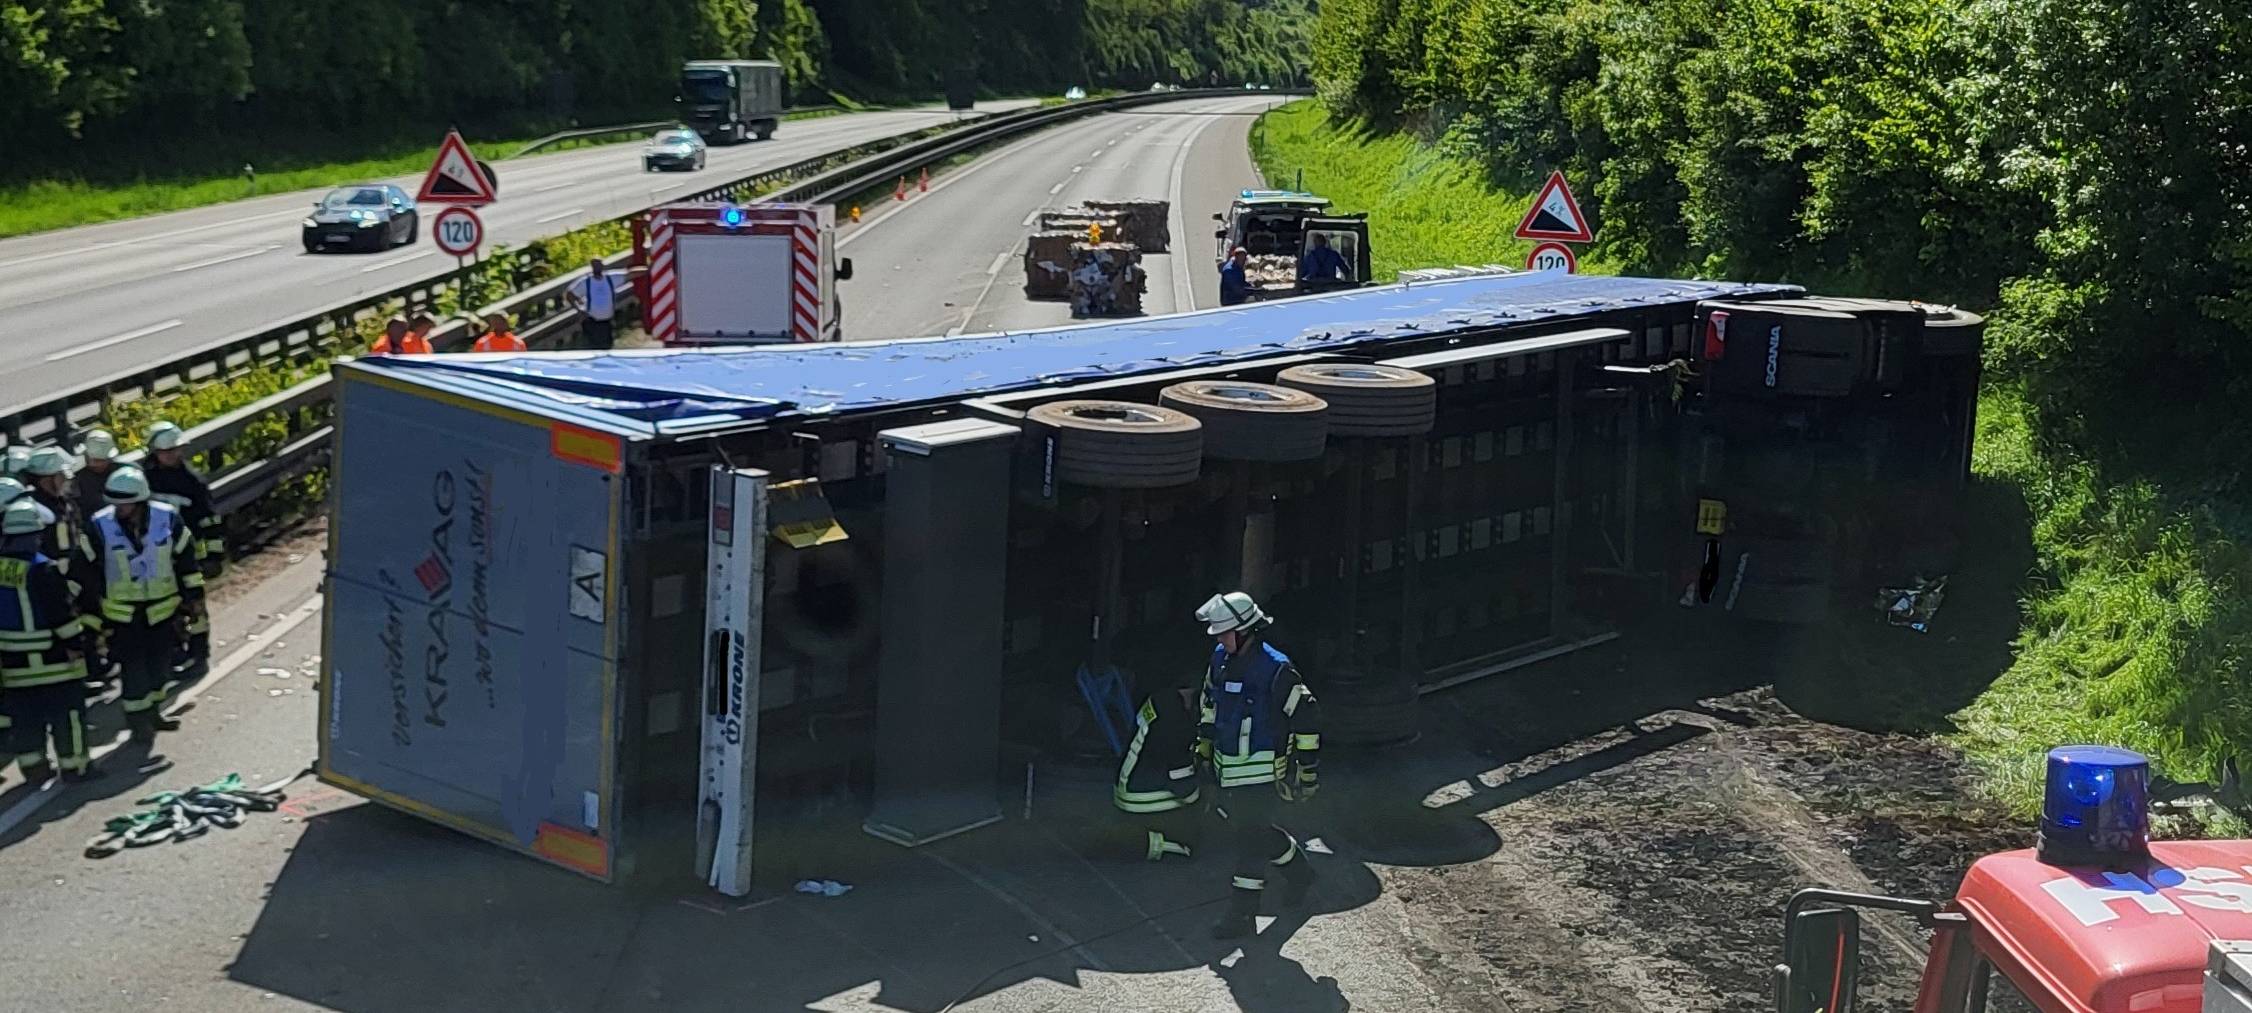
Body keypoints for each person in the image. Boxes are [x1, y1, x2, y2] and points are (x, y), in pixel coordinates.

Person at [1195, 590, 1320, 939]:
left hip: (1262, 773)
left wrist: (1305, 769)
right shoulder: (1220, 659)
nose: (1219, 638)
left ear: (1246, 631)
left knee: (1250, 843)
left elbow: (1306, 718)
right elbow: (1210, 703)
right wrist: (1204, 749)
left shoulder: (1275, 669)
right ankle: (1300, 873)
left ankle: (1241, 915)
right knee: (1256, 834)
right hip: (1227, 770)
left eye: (1224, 632)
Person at [79, 465, 200, 745]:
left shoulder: (167, 519)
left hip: (163, 609)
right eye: (116, 504)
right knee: (133, 669)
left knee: (160, 667)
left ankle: (154, 712)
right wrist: (91, 615)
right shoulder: (98, 526)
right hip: (122, 615)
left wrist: (194, 597)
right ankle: (138, 723)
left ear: (141, 500)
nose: (120, 509)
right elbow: (85, 570)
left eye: (126, 504)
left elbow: (186, 560)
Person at [0, 499, 98, 783]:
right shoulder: (44, 569)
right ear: (36, 534)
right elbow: (61, 616)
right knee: (68, 716)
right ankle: (75, 767)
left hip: (13, 665)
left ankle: (34, 769)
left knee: (26, 720)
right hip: (54, 661)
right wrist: (78, 646)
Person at [142, 422, 222, 673]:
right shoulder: (144, 479)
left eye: (177, 450)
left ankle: (199, 655)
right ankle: (175, 652)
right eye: (167, 451)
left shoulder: (192, 482)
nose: (174, 456)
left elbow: (210, 520)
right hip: (155, 557)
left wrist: (214, 555)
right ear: (154, 452)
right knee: (164, 608)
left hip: (188, 557)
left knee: (194, 607)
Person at [1114, 669, 1204, 862]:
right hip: (1144, 796)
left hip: (1129, 784)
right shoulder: (1176, 720)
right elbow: (1183, 786)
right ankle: (1163, 844)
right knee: (1199, 830)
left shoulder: (1160, 700)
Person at [566, 258, 619, 351]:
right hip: (592, 321)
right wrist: (579, 309)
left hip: (607, 322)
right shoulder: (586, 282)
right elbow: (570, 295)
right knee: (593, 347)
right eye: (595, 265)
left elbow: (630, 274)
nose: (597, 267)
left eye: (598, 265)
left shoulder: (610, 279)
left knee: (607, 347)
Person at [73, 429, 119, 519]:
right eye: (90, 459)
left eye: (99, 461)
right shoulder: (77, 479)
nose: (93, 464)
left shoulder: (120, 472)